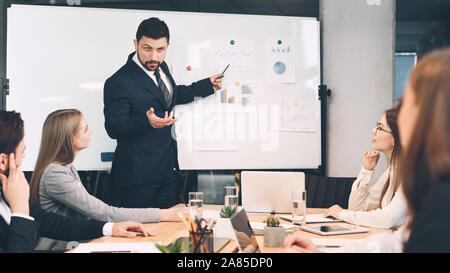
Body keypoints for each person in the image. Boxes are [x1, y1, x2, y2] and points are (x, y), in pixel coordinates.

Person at [284, 47, 450, 253]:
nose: (401, 107)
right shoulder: (427, 179)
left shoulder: (440, 197)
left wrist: (341, 215)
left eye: (409, 99)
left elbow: (388, 221)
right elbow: (394, 242)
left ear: (431, 115)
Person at [103, 17, 223, 209]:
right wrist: (147, 122)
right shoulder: (118, 82)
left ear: (167, 46)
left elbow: (171, 95)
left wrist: (207, 85)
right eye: (147, 48)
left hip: (166, 172)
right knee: (142, 236)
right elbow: (113, 126)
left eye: (160, 50)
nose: (154, 57)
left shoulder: (162, 68)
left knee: (169, 232)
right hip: (137, 179)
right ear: (136, 44)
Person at [29, 109, 182, 251]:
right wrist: (165, 214)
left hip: (76, 243)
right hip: (63, 248)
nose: (90, 132)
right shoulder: (55, 173)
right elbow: (105, 213)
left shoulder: (66, 167)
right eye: (85, 129)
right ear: (70, 138)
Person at [0, 110, 152, 253]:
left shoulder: (7, 192)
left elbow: (52, 223)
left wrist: (111, 228)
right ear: (3, 161)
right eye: (22, 151)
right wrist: (19, 209)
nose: (25, 153)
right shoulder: (52, 174)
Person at [324, 105, 407, 229]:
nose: (373, 130)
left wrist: (341, 214)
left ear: (396, 138)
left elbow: (388, 218)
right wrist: (367, 171)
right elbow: (357, 208)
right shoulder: (393, 170)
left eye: (380, 128)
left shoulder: (411, 173)